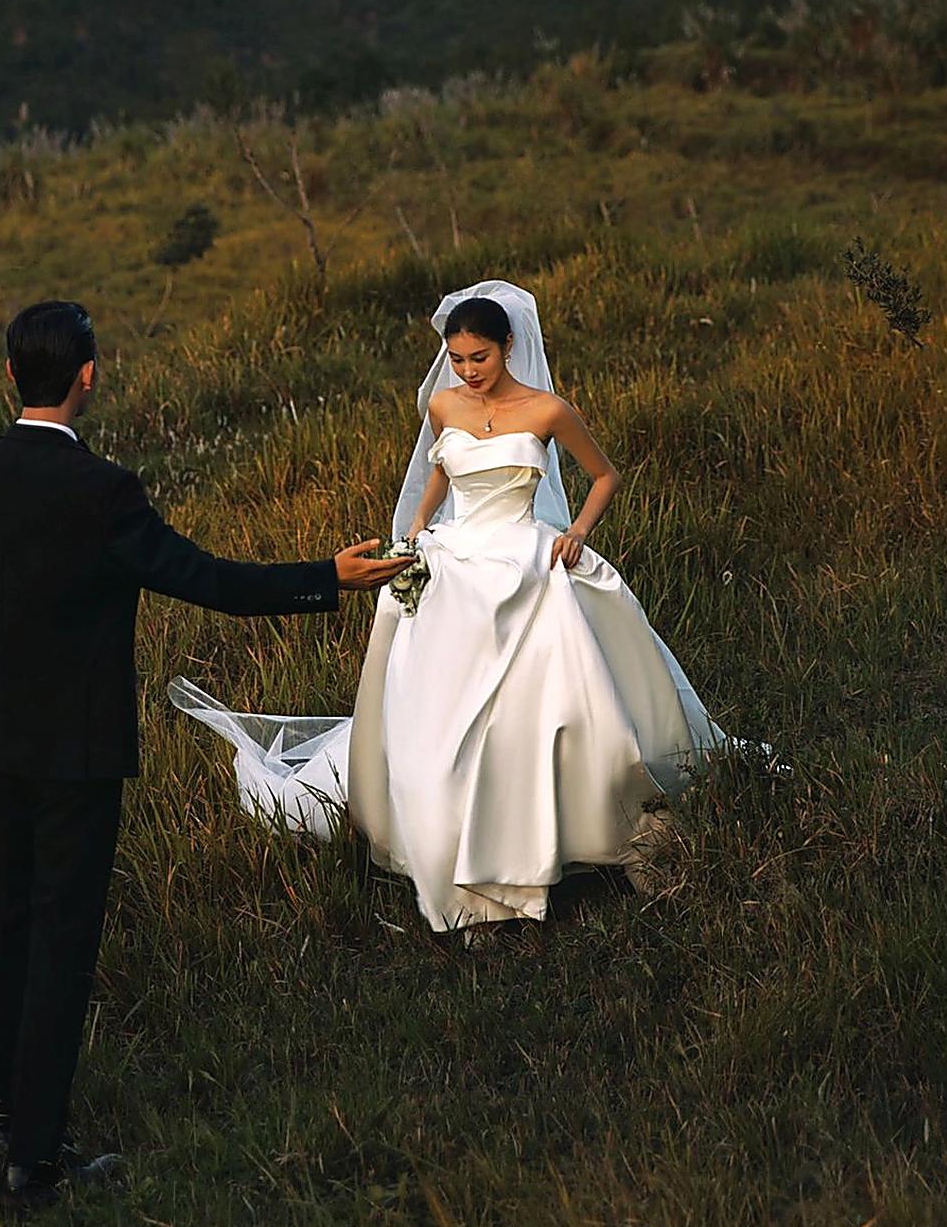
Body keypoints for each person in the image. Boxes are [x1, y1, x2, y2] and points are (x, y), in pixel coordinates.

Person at [0, 299, 409, 1215]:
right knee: (60, 942)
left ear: (10, 375)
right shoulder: (106, 492)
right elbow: (209, 582)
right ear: (88, 376)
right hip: (78, 754)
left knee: (1, 924)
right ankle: (35, 1165)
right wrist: (325, 578)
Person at [170, 279, 767, 941]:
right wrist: (417, 530)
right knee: (441, 709)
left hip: (525, 556)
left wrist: (576, 533)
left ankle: (577, 829)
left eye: (479, 357)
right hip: (455, 558)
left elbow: (605, 475)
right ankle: (453, 852)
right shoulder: (444, 405)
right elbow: (438, 474)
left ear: (508, 346)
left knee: (560, 698)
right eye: (456, 358)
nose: (467, 370)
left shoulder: (547, 409)